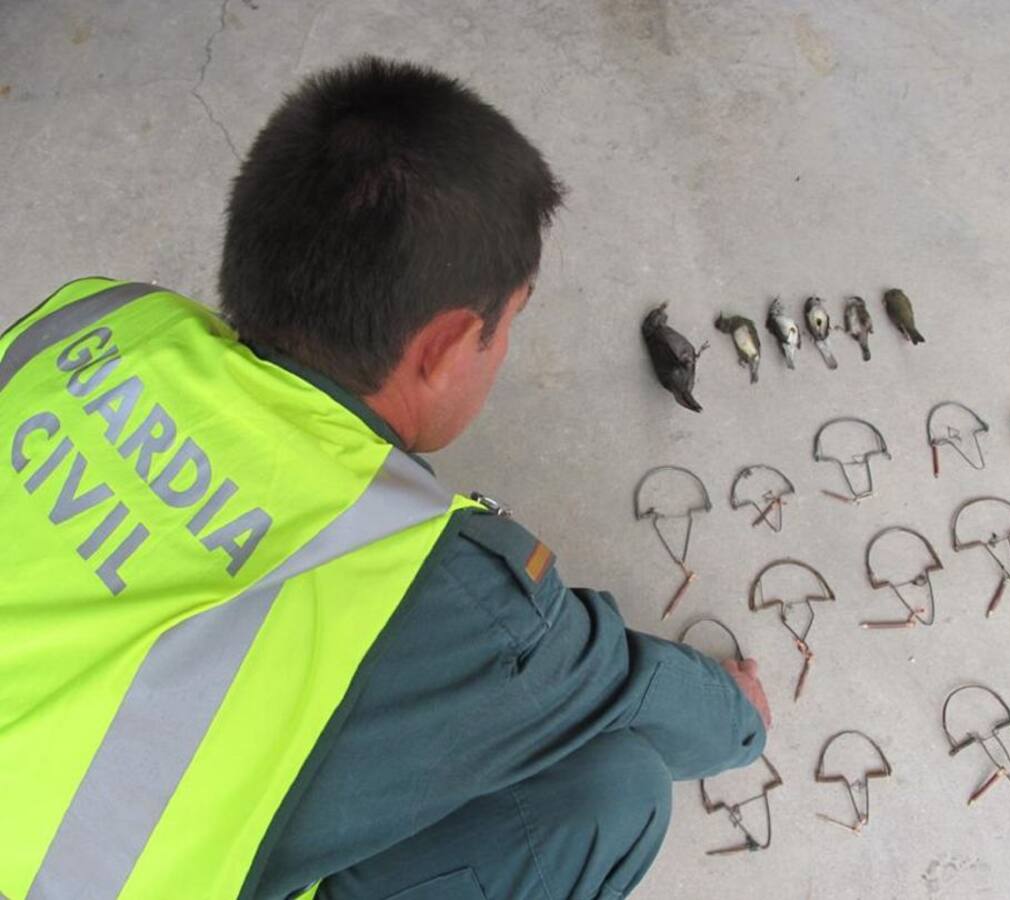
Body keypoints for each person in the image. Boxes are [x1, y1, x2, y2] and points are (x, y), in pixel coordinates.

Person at [0, 56, 770, 900]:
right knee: (614, 791)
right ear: (443, 348)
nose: (503, 352)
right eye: (505, 327)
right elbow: (621, 691)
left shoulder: (95, 321)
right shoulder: (440, 586)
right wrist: (741, 720)